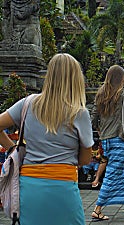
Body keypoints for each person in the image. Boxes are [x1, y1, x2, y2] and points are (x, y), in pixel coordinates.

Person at [0, 53, 93, 225]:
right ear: (76, 79)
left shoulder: (27, 104)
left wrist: (12, 148)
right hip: (63, 188)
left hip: (29, 187)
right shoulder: (79, 113)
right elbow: (86, 159)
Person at [91, 65, 124, 221]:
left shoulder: (101, 94)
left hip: (105, 139)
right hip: (119, 138)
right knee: (112, 174)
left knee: (119, 172)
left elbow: (93, 117)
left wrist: (99, 129)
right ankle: (97, 209)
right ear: (122, 78)